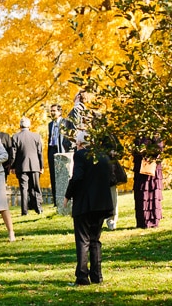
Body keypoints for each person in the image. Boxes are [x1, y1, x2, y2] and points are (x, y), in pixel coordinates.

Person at [64, 133, 114, 285]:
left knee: (83, 240)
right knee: (95, 240)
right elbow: (111, 178)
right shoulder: (103, 156)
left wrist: (67, 196)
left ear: (80, 143)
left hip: (85, 203)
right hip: (101, 203)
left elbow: (77, 176)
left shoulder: (80, 155)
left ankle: (82, 277)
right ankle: (97, 276)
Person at [11, 117, 44, 215]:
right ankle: (39, 208)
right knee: (36, 187)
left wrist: (12, 166)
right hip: (35, 166)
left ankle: (24, 211)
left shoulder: (15, 137)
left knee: (23, 189)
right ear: (29, 126)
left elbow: (13, 154)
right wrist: (41, 166)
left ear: (20, 125)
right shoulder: (36, 136)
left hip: (21, 166)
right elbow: (40, 153)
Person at [133, 134, 164, 229]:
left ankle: (152, 221)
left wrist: (146, 152)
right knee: (141, 194)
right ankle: (142, 221)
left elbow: (159, 149)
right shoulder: (138, 134)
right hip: (140, 169)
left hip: (151, 169)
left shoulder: (154, 133)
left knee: (152, 193)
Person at [47, 103, 70, 206]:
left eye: (54, 111)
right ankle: (56, 201)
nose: (52, 112)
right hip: (52, 149)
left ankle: (65, 199)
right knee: (53, 174)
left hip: (61, 150)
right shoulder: (50, 124)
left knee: (63, 174)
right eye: (51, 111)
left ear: (60, 112)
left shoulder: (65, 123)